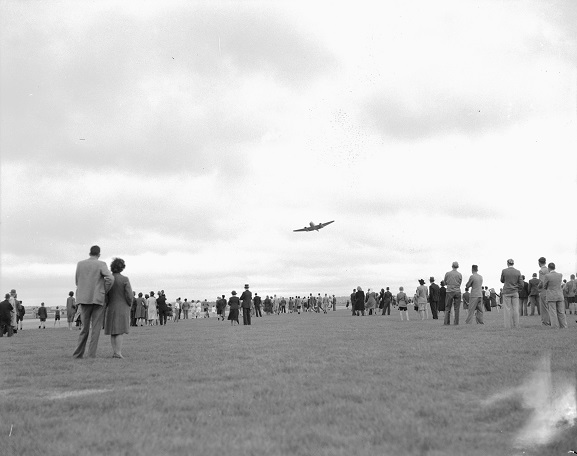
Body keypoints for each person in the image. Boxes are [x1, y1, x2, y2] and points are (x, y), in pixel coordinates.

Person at [72, 245, 115, 358]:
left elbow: (77, 280)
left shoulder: (80, 264)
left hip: (84, 298)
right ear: (99, 254)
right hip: (97, 299)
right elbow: (111, 278)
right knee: (95, 329)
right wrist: (104, 290)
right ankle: (91, 355)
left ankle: (78, 354)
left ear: (89, 253)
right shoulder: (101, 264)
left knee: (84, 328)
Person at [104, 258, 134, 358]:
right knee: (120, 331)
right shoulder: (125, 279)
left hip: (111, 307)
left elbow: (105, 295)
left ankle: (114, 351)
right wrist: (130, 304)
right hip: (122, 307)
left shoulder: (108, 279)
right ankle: (118, 352)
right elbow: (129, 295)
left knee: (113, 331)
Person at [542, 263, 567, 329]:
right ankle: (563, 326)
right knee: (561, 312)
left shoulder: (547, 276)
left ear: (548, 268)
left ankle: (555, 326)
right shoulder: (560, 275)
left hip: (551, 296)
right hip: (559, 295)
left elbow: (544, 286)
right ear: (554, 267)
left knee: (553, 312)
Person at [500, 258, 523, 329]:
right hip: (515, 292)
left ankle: (507, 326)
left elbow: (502, 280)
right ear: (513, 263)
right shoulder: (518, 272)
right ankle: (516, 325)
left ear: (507, 263)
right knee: (516, 309)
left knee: (507, 309)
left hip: (506, 292)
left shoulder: (504, 271)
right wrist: (518, 289)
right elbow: (521, 284)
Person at [537, 257, 551, 326]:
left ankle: (545, 322)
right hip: (550, 290)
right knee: (549, 307)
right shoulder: (549, 270)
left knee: (544, 307)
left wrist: (538, 286)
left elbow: (542, 282)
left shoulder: (541, 271)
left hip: (544, 290)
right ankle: (551, 321)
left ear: (539, 263)